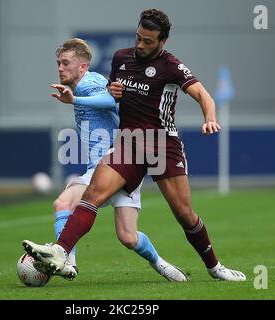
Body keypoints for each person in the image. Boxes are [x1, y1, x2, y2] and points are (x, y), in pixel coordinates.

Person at [24, 10, 246, 282]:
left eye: (148, 41)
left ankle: (215, 267)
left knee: (184, 214)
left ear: (162, 41)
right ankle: (61, 251)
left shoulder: (171, 66)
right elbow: (112, 94)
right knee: (92, 195)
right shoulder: (121, 58)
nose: (140, 45)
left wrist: (210, 119)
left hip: (162, 145)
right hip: (128, 144)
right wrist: (114, 92)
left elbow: (202, 94)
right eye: (138, 38)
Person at [28, 38, 187, 282]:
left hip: (117, 164)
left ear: (82, 67)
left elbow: (109, 100)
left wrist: (74, 100)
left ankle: (69, 260)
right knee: (124, 234)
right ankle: (158, 263)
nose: (60, 68)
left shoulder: (89, 82)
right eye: (58, 63)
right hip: (111, 167)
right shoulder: (81, 86)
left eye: (65, 63)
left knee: (74, 209)